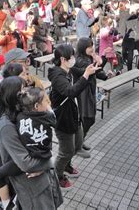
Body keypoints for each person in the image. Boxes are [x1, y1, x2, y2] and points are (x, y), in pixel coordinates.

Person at [0, 76, 63, 209]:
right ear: (12, 96)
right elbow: (26, 162)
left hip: (42, 181)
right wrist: (49, 162)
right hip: (33, 188)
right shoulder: (7, 126)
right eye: (22, 90)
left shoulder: (25, 113)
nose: (26, 92)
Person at [48, 44, 99, 188]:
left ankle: (66, 165)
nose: (74, 59)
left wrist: (94, 66)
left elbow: (83, 71)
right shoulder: (57, 75)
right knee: (66, 151)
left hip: (72, 114)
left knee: (77, 143)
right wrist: (85, 76)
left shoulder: (68, 69)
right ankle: (57, 176)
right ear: (63, 59)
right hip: (62, 118)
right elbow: (71, 91)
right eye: (71, 56)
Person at [71, 38, 109, 153]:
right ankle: (77, 144)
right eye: (89, 46)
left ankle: (80, 142)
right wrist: (101, 60)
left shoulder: (87, 58)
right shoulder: (79, 60)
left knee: (88, 119)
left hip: (90, 90)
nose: (91, 48)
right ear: (83, 47)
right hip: (83, 92)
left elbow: (97, 72)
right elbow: (91, 70)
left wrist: (106, 74)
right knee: (88, 118)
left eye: (92, 46)